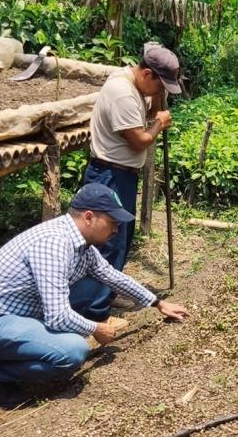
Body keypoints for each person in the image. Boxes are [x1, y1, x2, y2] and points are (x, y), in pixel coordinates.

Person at [0, 183, 189, 407]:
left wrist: (158, 303)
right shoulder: (54, 243)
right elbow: (58, 317)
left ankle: (14, 354)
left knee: (94, 286)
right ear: (88, 217)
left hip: (15, 317)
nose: (117, 229)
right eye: (112, 221)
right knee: (73, 351)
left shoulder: (82, 245)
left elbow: (114, 277)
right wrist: (95, 328)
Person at [70, 43, 183, 314]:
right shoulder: (122, 93)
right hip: (110, 176)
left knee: (120, 239)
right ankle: (92, 312)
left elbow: (147, 110)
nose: (160, 92)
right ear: (146, 74)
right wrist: (159, 124)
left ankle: (105, 297)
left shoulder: (134, 85)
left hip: (122, 175)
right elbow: (139, 141)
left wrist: (158, 98)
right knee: (105, 244)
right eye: (160, 85)